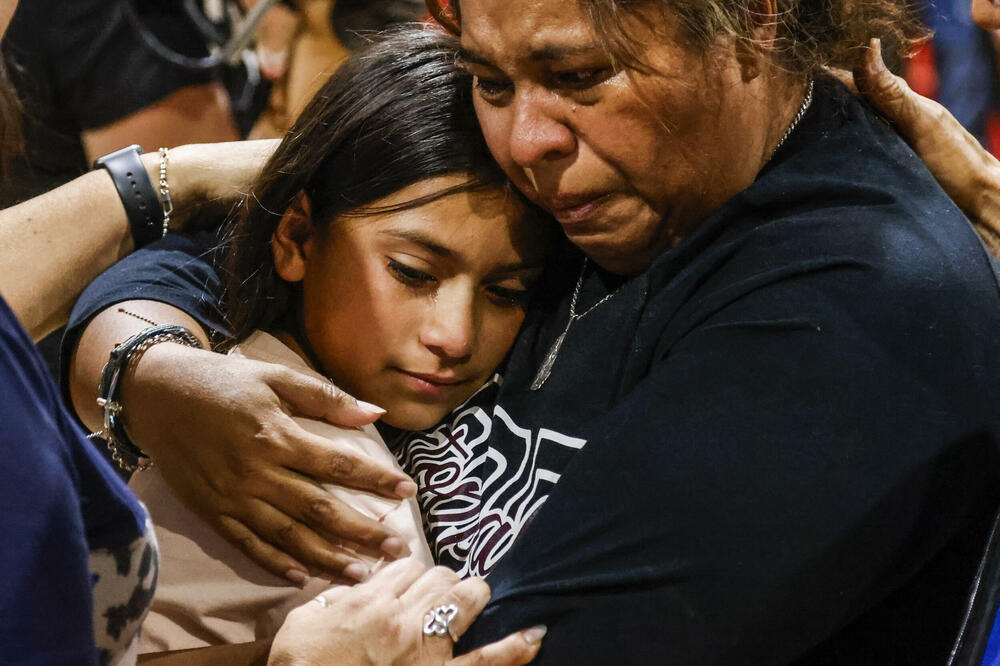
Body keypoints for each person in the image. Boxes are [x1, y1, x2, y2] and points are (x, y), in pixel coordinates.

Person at [63, 0, 1000, 663]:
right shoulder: (607, 155)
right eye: (488, 79)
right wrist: (146, 365)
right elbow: (253, 246)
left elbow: (491, 646)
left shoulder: (856, 298)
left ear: (749, 17)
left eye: (581, 74)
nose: (524, 143)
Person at [0, 2, 544, 664]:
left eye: (507, 292)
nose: (454, 336)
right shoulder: (356, 515)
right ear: (294, 236)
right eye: (411, 272)